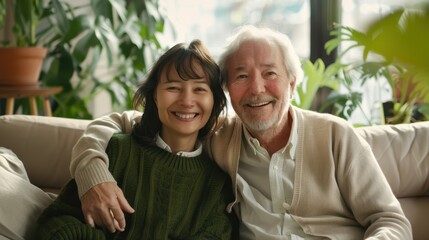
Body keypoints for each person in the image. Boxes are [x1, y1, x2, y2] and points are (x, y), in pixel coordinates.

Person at [71, 25, 412, 239]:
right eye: (242, 76)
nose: (257, 89)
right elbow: (125, 121)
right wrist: (92, 170)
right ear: (228, 91)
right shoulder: (219, 135)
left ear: (292, 83)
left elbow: (390, 220)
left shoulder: (336, 136)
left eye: (270, 74)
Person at [34, 40, 238, 239]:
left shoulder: (217, 185)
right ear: (155, 97)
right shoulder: (116, 151)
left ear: (215, 101)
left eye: (199, 89)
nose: (186, 101)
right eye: (173, 88)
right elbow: (56, 224)